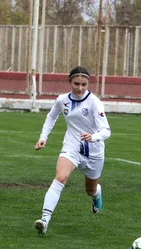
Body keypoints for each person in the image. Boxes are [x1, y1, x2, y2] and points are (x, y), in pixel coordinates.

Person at [34, 66, 111, 235]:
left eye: (84, 84)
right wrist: (43, 137)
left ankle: (97, 195)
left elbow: (106, 130)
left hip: (94, 152)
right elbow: (51, 117)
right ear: (70, 81)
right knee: (61, 177)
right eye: (76, 83)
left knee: (90, 189)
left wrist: (94, 137)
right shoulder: (62, 100)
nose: (80, 88)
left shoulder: (94, 102)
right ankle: (45, 220)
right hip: (72, 147)